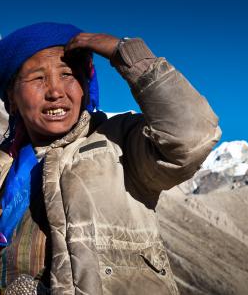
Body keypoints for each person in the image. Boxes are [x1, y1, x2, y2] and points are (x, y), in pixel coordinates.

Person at [0, 22, 222, 294]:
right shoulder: (4, 168)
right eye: (38, 78)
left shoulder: (120, 143)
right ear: (11, 97)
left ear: (85, 85)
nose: (55, 91)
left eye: (68, 75)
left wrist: (127, 55)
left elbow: (192, 135)